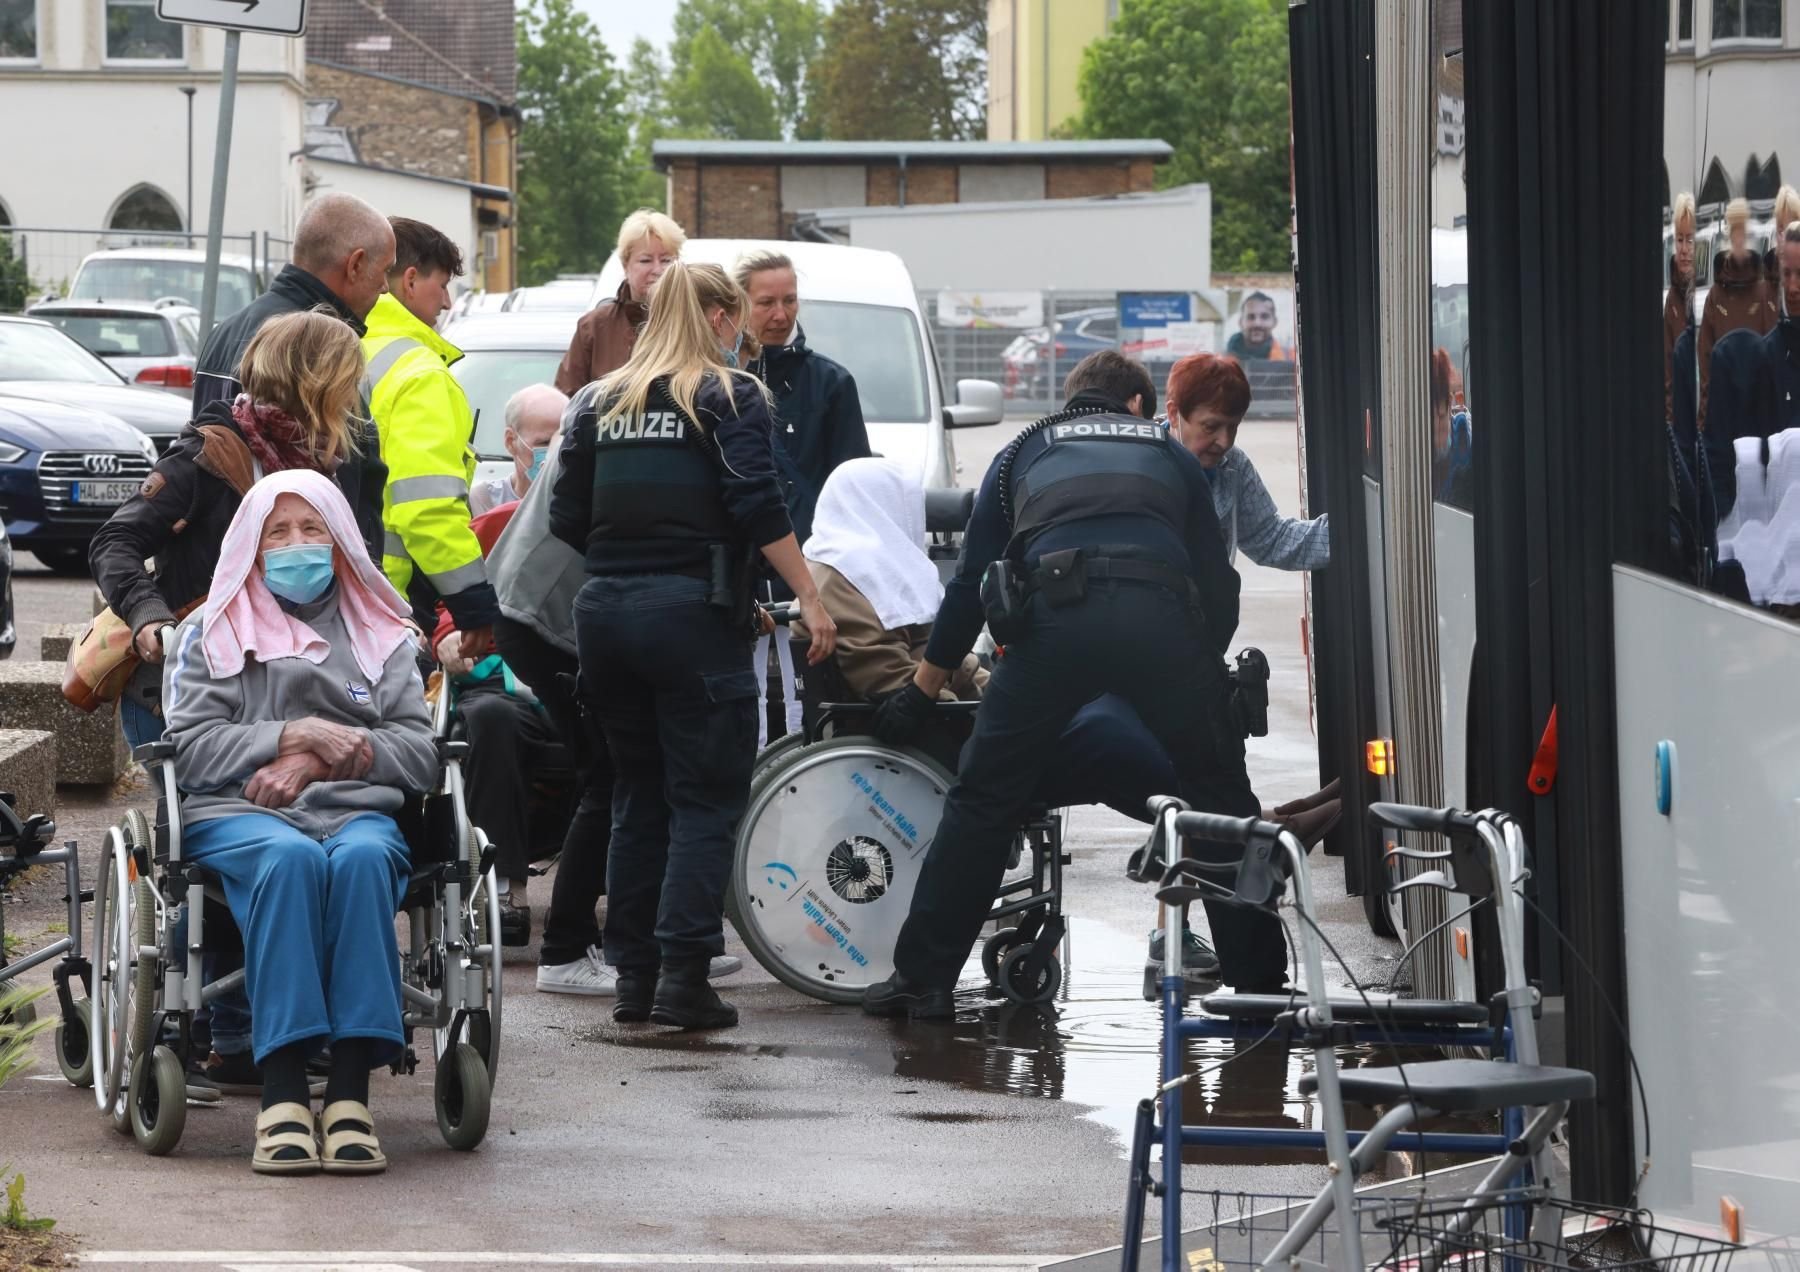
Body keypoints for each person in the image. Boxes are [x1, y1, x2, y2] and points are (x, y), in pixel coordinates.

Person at [861, 351, 1281, 1021]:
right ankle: (1259, 985)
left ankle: (925, 981)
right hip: (1161, 622)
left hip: (1056, 626)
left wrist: (923, 687)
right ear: (1138, 406)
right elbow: (1217, 579)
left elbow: (970, 583)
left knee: (982, 799)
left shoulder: (1024, 447)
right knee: (1220, 797)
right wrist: (1203, 669)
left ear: (1071, 400)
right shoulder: (1169, 454)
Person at [549, 261, 837, 1030]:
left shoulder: (595, 403)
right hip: (691, 617)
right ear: (718, 317)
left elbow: (564, 517)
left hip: (605, 616)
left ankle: (632, 980)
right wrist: (806, 594)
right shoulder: (729, 394)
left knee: (637, 796)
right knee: (705, 798)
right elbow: (757, 501)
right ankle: (684, 975)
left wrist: (629, 558)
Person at [90, 310, 371, 1093]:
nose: (359, 392)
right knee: (212, 856)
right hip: (187, 684)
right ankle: (216, 1026)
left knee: (301, 840)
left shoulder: (326, 462)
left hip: (288, 685)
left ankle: (263, 1023)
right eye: (348, 377)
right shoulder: (207, 455)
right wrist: (150, 618)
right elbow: (113, 542)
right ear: (316, 379)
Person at [161, 469, 436, 1176]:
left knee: (362, 860)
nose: (296, 545)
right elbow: (188, 749)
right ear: (250, 549)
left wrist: (328, 761)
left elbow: (420, 752)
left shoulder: (382, 631)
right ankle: (281, 1091)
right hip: (239, 812)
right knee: (291, 860)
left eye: (313, 530)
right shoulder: (211, 631)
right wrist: (292, 734)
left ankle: (350, 1093)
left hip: (356, 816)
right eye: (277, 532)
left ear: (342, 543)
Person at [487, 389, 746, 994]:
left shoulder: (638, 400)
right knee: (613, 781)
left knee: (635, 778)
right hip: (543, 617)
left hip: (571, 611)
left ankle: (654, 945)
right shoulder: (633, 404)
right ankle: (566, 952)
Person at [190, 191, 394, 557]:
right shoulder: (315, 352)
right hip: (287, 574)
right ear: (356, 265)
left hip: (223, 563)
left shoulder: (228, 329)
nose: (385, 287)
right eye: (384, 272)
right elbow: (344, 484)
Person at [736, 249, 872, 747]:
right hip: (743, 568)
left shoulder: (832, 382)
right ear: (738, 305)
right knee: (745, 706)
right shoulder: (719, 382)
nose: (780, 314)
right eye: (766, 302)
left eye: (790, 300)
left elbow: (852, 482)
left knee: (808, 708)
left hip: (812, 566)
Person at [363, 216, 502, 665]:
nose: (446, 302)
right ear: (408, 281)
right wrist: (472, 604)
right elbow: (427, 507)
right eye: (442, 285)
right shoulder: (420, 374)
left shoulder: (339, 342)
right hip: (395, 599)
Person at [1163, 353, 1331, 569]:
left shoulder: (1233, 463)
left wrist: (1349, 532)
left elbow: (1271, 539)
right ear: (1173, 413)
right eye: (1211, 427)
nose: (1224, 442)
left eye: (1233, 427)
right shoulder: (1141, 459)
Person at [554, 210, 685, 396]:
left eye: (666, 260)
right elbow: (566, 402)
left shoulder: (695, 323)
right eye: (645, 260)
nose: (657, 270)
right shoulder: (593, 328)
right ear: (625, 266)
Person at [1699, 197, 1779, 435]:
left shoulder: (1764, 292)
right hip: (1723, 416)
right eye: (1734, 230)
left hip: (1758, 418)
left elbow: (1772, 353)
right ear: (1728, 235)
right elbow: (1705, 362)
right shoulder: (1715, 296)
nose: (1739, 237)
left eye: (1742, 230)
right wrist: (1703, 423)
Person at [472, 384, 564, 517]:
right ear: (511, 441)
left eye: (563, 441)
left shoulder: (579, 502)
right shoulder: (483, 501)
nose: (556, 452)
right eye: (544, 442)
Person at [1666, 192, 1698, 429]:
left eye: (1690, 239)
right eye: (1679, 239)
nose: (1684, 249)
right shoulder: (1672, 300)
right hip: (1680, 426)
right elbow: (1667, 371)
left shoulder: (1710, 295)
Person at [1225, 292, 1292, 361]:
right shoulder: (1221, 362)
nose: (1257, 323)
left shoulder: (1291, 358)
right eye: (1251, 317)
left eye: (1264, 316)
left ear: (1274, 322)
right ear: (1240, 322)